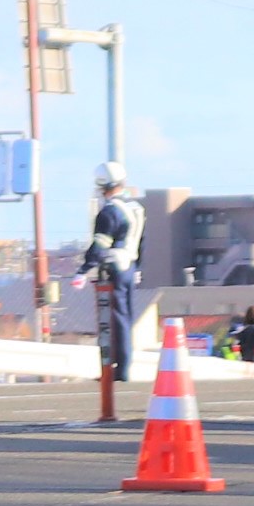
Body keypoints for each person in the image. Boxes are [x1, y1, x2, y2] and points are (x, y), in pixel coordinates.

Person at [72, 161, 144, 381]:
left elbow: (100, 245)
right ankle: (121, 367)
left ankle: (119, 371)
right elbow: (142, 242)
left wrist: (83, 270)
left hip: (114, 266)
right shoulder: (136, 208)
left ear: (101, 186)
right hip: (130, 265)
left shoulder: (109, 213)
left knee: (115, 319)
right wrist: (139, 267)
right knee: (125, 318)